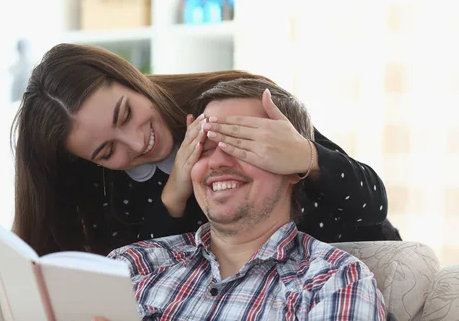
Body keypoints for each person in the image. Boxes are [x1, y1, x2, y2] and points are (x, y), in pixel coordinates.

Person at [11, 43, 400, 256]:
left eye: (126, 113)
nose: (136, 142)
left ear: (129, 78)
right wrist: (172, 196)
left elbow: (371, 207)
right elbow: (146, 270)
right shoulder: (103, 190)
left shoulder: (232, 102)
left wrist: (307, 157)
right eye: (107, 151)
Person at [104, 78, 387, 320]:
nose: (217, 161)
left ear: (292, 162)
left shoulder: (335, 282)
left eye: (243, 143)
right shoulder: (130, 266)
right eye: (203, 147)